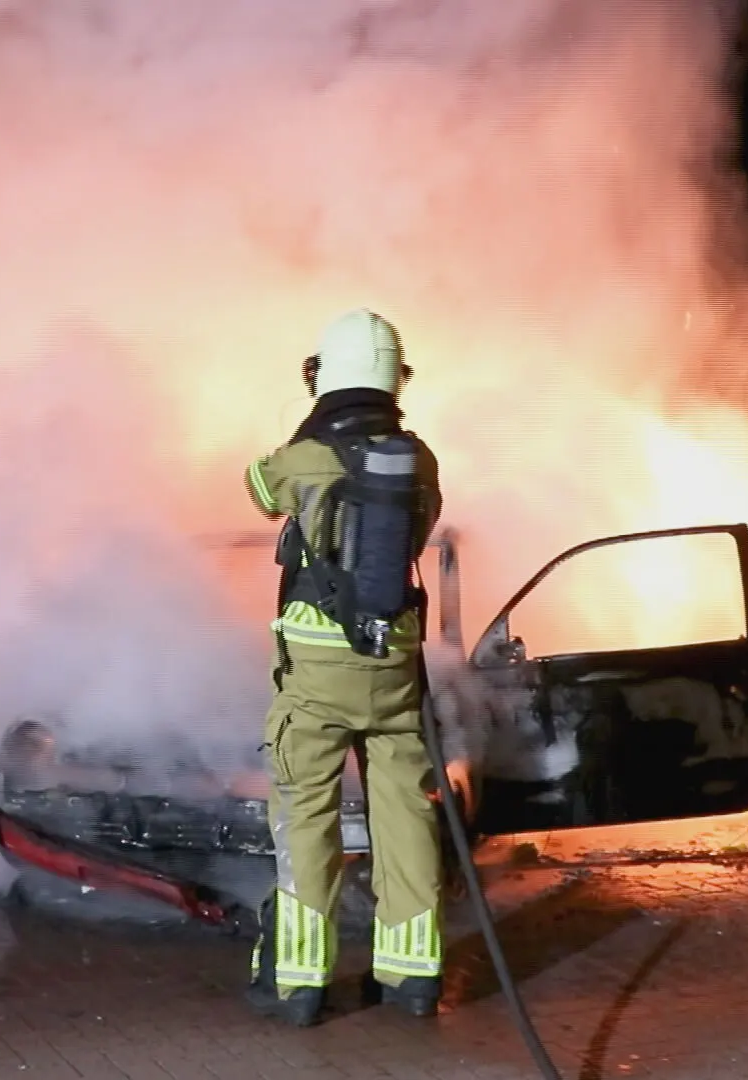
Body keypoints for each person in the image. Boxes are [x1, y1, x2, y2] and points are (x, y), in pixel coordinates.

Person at [242, 309, 450, 1026]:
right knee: (406, 816)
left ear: (323, 374)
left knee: (307, 815)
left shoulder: (307, 457)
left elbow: (258, 487)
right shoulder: (418, 458)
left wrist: (305, 433)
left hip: (317, 676)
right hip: (394, 665)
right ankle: (412, 977)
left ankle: (301, 985)